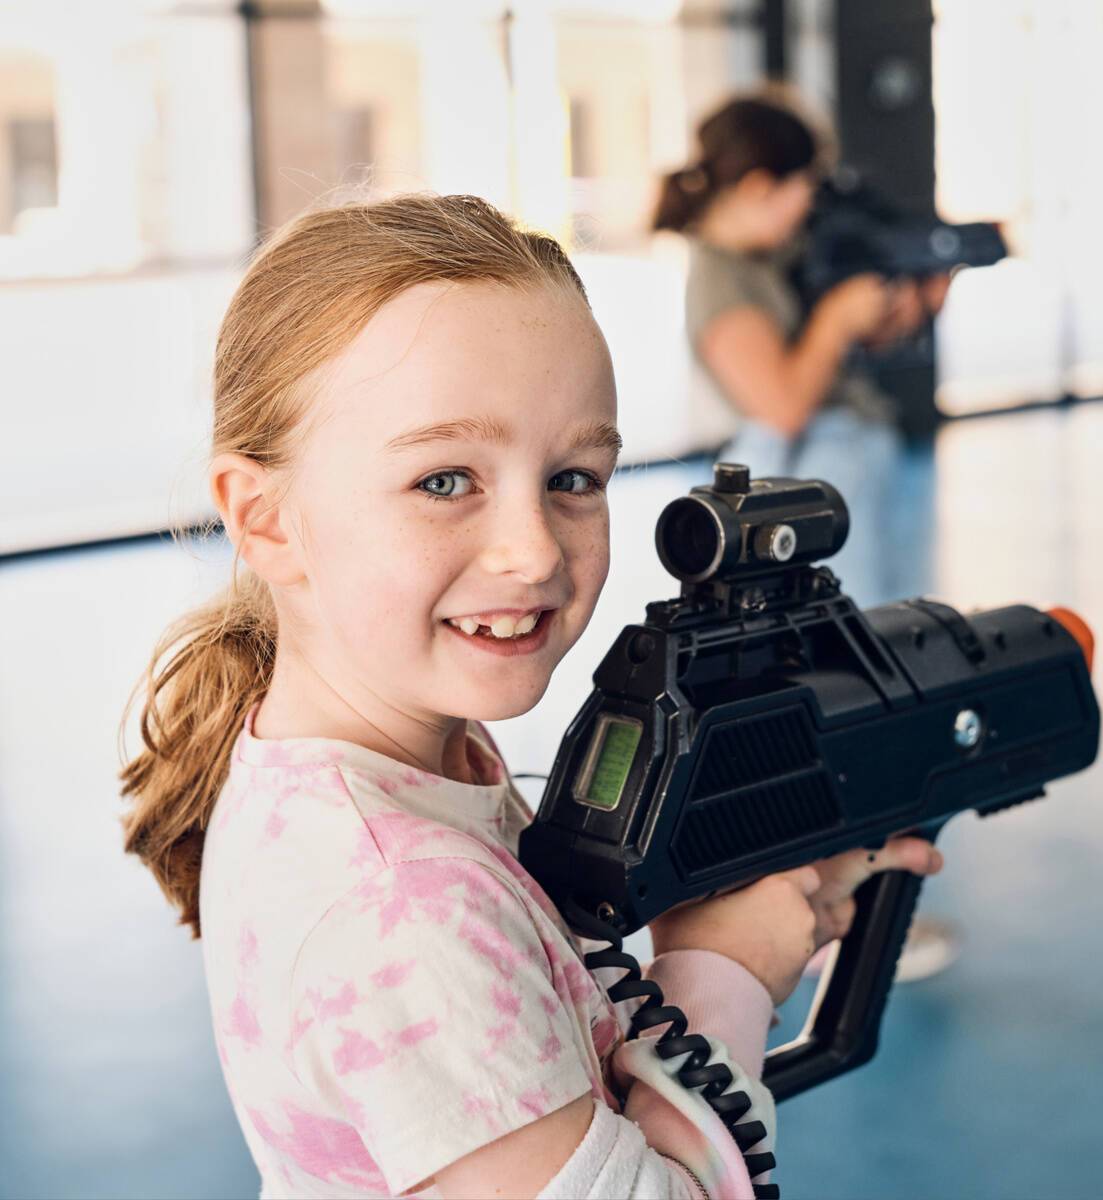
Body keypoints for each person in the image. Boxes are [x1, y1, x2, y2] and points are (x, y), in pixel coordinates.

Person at [118, 194, 943, 1200]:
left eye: (574, 477)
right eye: (444, 481)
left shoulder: (410, 763)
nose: (535, 550)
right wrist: (721, 971)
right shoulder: (403, 907)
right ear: (265, 519)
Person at [652, 93, 949, 608]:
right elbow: (781, 407)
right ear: (759, 187)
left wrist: (900, 312)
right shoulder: (720, 282)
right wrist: (838, 318)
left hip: (850, 454)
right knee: (851, 608)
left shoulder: (777, 255)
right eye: (802, 186)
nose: (809, 202)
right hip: (813, 467)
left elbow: (831, 353)